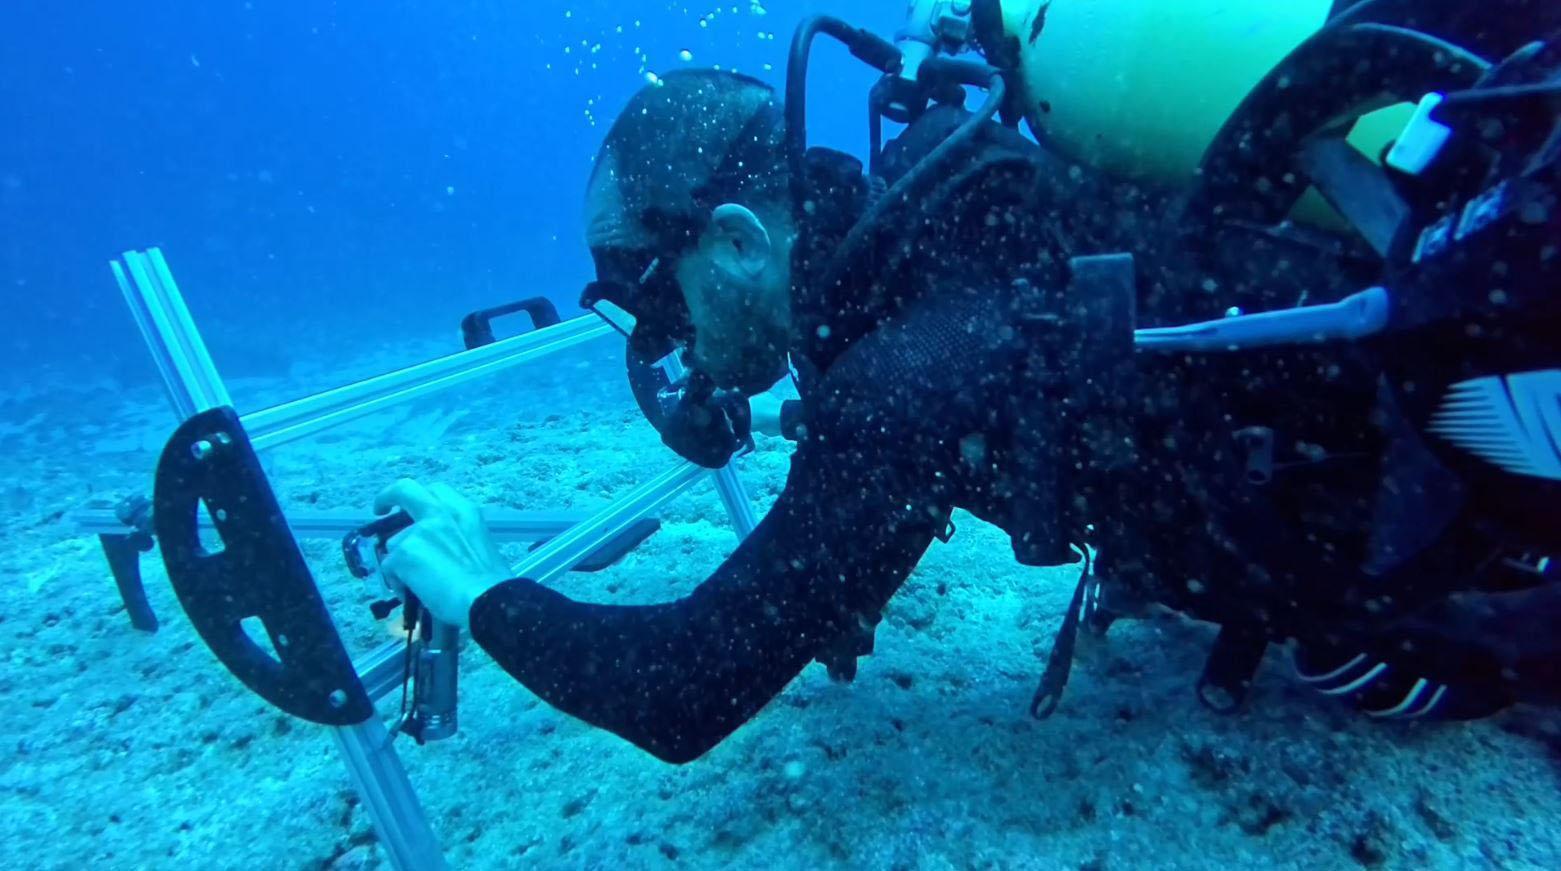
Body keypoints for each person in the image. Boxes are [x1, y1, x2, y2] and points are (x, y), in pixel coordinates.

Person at [377, 7, 1560, 762]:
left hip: (1477, 520)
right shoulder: (950, 234)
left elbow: (682, 688)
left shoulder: (909, 366)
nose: (666, 338)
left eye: (654, 292)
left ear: (736, 240)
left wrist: (477, 588)